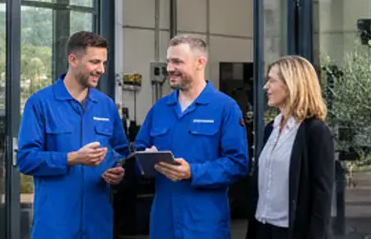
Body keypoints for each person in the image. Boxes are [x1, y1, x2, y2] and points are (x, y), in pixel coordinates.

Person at [133, 34, 250, 239]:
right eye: (168, 61)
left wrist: (193, 172)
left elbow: (237, 164)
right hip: (164, 223)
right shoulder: (159, 109)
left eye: (177, 61)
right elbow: (138, 155)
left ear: (200, 63)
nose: (169, 68)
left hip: (204, 225)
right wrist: (145, 159)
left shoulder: (225, 108)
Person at [16, 31, 130, 239]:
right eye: (95, 62)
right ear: (73, 60)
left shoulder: (106, 106)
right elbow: (25, 160)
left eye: (104, 63)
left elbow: (121, 154)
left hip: (97, 226)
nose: (101, 70)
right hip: (55, 226)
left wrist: (119, 171)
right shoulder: (41, 103)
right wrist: (71, 159)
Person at [245, 55, 335, 239]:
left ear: (291, 85)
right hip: (262, 229)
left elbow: (322, 195)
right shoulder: (271, 128)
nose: (265, 87)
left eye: (271, 80)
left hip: (292, 232)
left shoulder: (315, 131)